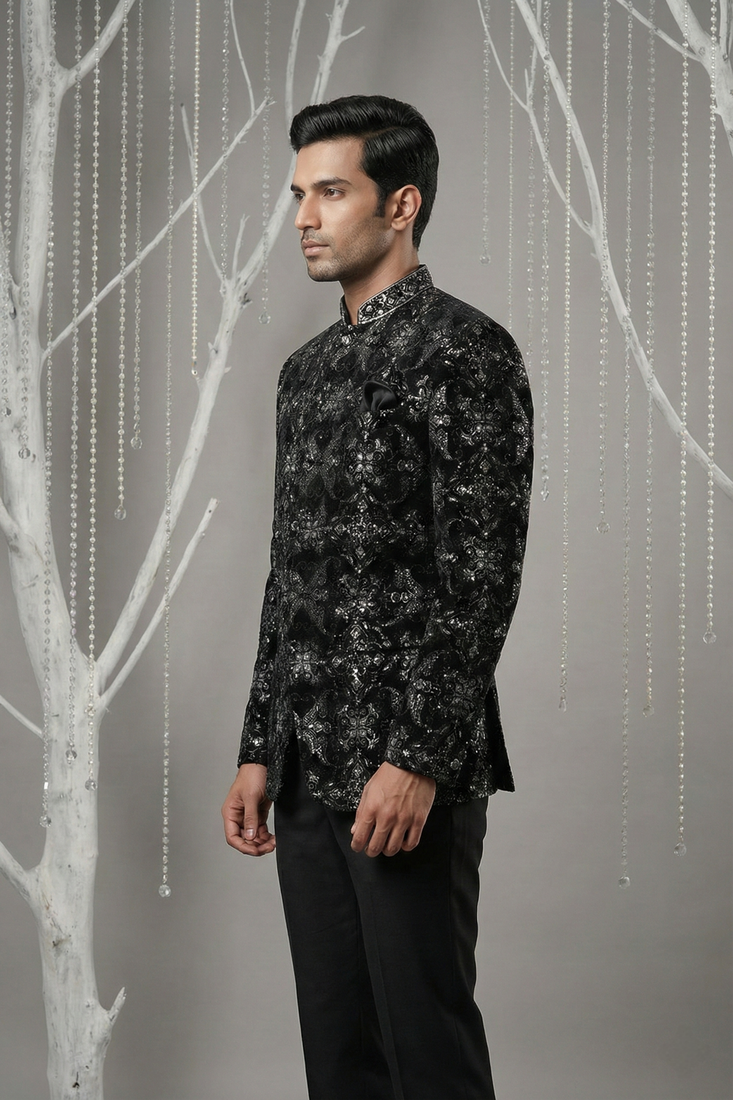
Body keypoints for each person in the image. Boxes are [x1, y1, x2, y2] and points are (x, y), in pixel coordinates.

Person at [222, 94, 533, 1100]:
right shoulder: (304, 373)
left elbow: (481, 573)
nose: (304, 218)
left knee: (425, 1049)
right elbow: (289, 573)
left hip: (406, 763)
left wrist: (418, 757)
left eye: (330, 192)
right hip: (305, 761)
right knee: (339, 1054)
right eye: (297, 195)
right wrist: (259, 745)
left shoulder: (465, 351)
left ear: (400, 205)